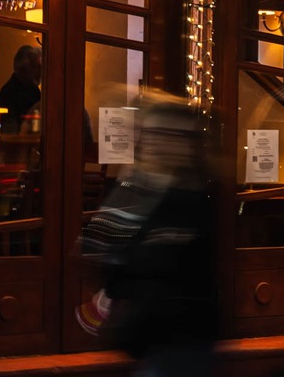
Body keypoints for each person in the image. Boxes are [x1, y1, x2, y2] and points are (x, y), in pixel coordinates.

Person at [81, 94, 218, 376]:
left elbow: (175, 267)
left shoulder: (192, 199)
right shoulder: (136, 188)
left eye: (171, 134)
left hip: (182, 342)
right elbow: (102, 246)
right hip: (150, 341)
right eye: (153, 133)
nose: (159, 142)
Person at [0, 45, 42, 133]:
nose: (40, 71)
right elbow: (11, 131)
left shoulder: (33, 90)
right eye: (35, 66)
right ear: (23, 69)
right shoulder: (9, 93)